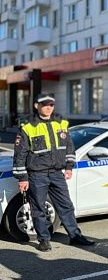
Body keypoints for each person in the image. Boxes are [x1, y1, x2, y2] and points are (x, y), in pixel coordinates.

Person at [12, 93, 95, 252]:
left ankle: (75, 236)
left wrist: (69, 166)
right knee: (38, 209)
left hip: (57, 173)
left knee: (66, 206)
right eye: (45, 104)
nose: (49, 107)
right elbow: (20, 154)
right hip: (37, 175)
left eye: (51, 104)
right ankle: (43, 239)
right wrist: (22, 178)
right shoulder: (28, 126)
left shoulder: (61, 123)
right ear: (37, 106)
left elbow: (69, 147)